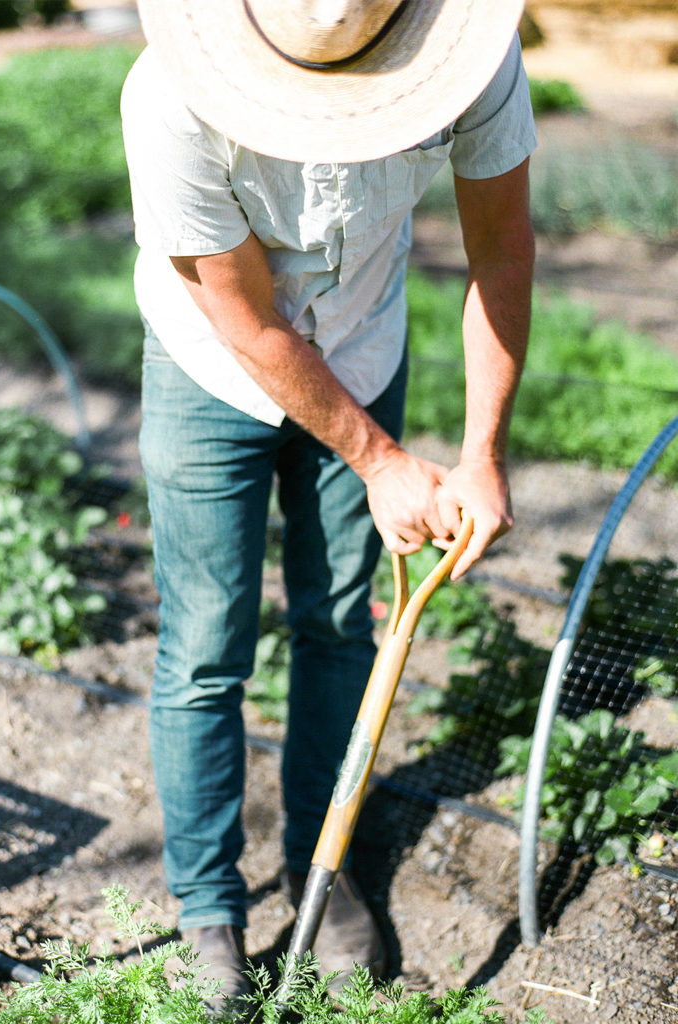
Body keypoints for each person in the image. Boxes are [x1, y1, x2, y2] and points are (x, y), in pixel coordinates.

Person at [121, 0, 537, 1000]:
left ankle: (325, 859)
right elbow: (248, 320)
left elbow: (502, 248)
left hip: (363, 341)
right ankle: (209, 910)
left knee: (340, 623)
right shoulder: (172, 96)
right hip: (210, 368)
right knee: (207, 641)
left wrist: (480, 451)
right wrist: (379, 457)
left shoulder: (470, 55)